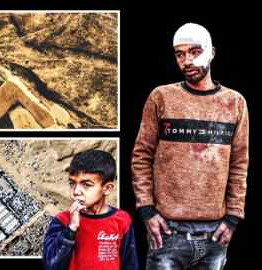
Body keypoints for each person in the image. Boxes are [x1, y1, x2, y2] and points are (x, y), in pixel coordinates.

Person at [131, 22, 249, 269]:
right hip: (166, 231)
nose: (187, 60)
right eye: (180, 54)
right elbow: (141, 156)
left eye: (195, 52)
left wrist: (234, 217)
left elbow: (239, 163)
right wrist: (147, 211)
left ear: (212, 53)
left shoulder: (234, 102)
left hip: (216, 232)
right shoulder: (161, 97)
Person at [43, 149, 138, 270]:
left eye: (86, 185)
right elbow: (51, 265)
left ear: (107, 188)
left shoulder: (122, 220)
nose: (76, 192)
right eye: (72, 183)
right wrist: (71, 229)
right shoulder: (62, 220)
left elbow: (130, 264)